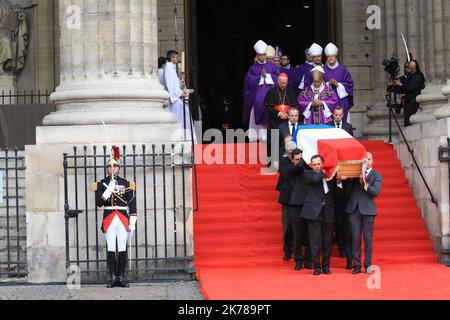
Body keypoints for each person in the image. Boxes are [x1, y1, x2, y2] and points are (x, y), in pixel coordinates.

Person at [94, 146, 137, 288]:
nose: (112, 169)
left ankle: (121, 276)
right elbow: (99, 203)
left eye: (115, 167)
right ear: (107, 169)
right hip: (109, 217)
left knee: (122, 247)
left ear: (119, 168)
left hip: (123, 218)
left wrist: (133, 221)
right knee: (111, 247)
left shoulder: (126, 183)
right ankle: (112, 277)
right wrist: (108, 190)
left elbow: (132, 203)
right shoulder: (102, 183)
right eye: (110, 167)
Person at [301, 155, 341, 275]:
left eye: (319, 164)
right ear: (311, 165)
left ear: (322, 163)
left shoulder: (329, 176)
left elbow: (338, 193)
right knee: (315, 241)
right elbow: (315, 180)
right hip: (314, 212)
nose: (317, 166)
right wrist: (326, 171)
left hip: (328, 211)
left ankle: (326, 266)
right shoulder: (308, 174)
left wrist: (338, 181)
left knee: (328, 241)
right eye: (315, 164)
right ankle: (317, 267)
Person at [343, 152, 383, 275]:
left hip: (368, 211)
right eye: (364, 160)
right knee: (355, 238)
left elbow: (375, 191)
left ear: (372, 162)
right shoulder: (354, 174)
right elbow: (346, 191)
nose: (366, 162)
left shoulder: (377, 175)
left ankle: (368, 265)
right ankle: (356, 265)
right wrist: (344, 180)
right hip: (354, 210)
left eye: (369, 159)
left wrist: (364, 184)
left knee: (367, 239)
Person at [243, 40, 280, 142]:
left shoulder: (272, 66)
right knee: (257, 110)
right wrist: (259, 77)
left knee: (270, 112)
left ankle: (269, 136)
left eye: (264, 55)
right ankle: (256, 137)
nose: (262, 57)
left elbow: (279, 77)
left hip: (270, 95)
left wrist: (267, 76)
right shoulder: (253, 68)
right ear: (257, 56)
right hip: (257, 96)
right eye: (260, 55)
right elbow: (248, 81)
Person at [286, 149, 312, 270]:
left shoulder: (309, 167)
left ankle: (308, 260)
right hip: (296, 205)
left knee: (309, 234)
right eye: (297, 159)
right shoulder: (290, 168)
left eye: (301, 158)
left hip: (309, 203)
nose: (299, 161)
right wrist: (303, 159)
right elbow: (296, 169)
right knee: (297, 234)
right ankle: (298, 260)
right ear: (292, 160)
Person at [265, 73, 298, 164]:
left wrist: (288, 114)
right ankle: (272, 163)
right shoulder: (272, 92)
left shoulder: (291, 92)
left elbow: (294, 106)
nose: (283, 85)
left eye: (285, 83)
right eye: (282, 83)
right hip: (274, 122)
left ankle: (285, 162)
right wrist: (279, 113)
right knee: (273, 142)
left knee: (285, 142)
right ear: (278, 82)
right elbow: (268, 107)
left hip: (286, 122)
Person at [163, 50, 196, 141]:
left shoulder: (171, 68)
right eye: (176, 57)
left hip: (177, 97)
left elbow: (176, 85)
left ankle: (186, 137)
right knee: (182, 117)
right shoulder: (168, 69)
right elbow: (170, 85)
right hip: (174, 99)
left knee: (185, 115)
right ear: (171, 58)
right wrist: (180, 93)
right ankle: (183, 137)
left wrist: (184, 90)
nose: (177, 59)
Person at [277, 139, 298, 260]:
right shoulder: (283, 161)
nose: (290, 153)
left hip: (298, 196)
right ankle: (287, 250)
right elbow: (286, 173)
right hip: (287, 198)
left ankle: (297, 250)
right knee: (287, 226)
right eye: (288, 151)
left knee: (298, 227)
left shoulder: (299, 161)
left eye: (292, 151)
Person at [323, 43, 355, 123]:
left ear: (335, 57)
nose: (330, 58)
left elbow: (350, 84)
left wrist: (338, 85)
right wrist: (328, 84)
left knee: (343, 124)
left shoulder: (343, 69)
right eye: (328, 56)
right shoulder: (323, 70)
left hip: (341, 100)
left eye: (332, 56)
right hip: (328, 101)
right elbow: (318, 86)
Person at [393, 60, 426, 127]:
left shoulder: (418, 76)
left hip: (413, 101)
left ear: (415, 67)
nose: (409, 68)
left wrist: (400, 84)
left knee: (410, 121)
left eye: (410, 66)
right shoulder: (410, 76)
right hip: (408, 101)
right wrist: (398, 82)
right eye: (408, 66)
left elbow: (409, 88)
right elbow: (404, 84)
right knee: (407, 120)